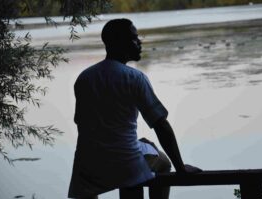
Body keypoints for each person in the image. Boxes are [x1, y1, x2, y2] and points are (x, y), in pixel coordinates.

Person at [68, 18, 202, 199]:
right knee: (161, 163)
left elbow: (85, 124)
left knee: (127, 154)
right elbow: (160, 125)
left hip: (87, 165)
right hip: (125, 162)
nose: (139, 42)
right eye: (134, 38)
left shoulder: (84, 78)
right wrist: (181, 167)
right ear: (118, 43)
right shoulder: (134, 78)